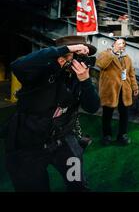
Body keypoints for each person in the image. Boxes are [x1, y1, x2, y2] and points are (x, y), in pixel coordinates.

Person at [4, 36, 100, 191]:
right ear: (59, 56)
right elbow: (17, 66)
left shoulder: (80, 78)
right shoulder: (40, 71)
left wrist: (85, 81)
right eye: (74, 54)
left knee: (77, 184)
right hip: (27, 144)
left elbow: (92, 107)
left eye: (82, 55)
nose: (78, 60)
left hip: (64, 141)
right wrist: (67, 49)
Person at [96, 38, 139, 146]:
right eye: (119, 43)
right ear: (114, 44)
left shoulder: (127, 58)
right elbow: (101, 65)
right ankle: (107, 136)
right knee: (107, 114)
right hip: (110, 90)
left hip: (124, 90)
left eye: (123, 44)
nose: (121, 45)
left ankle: (122, 135)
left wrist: (135, 87)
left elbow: (131, 74)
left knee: (124, 114)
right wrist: (112, 54)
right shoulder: (104, 54)